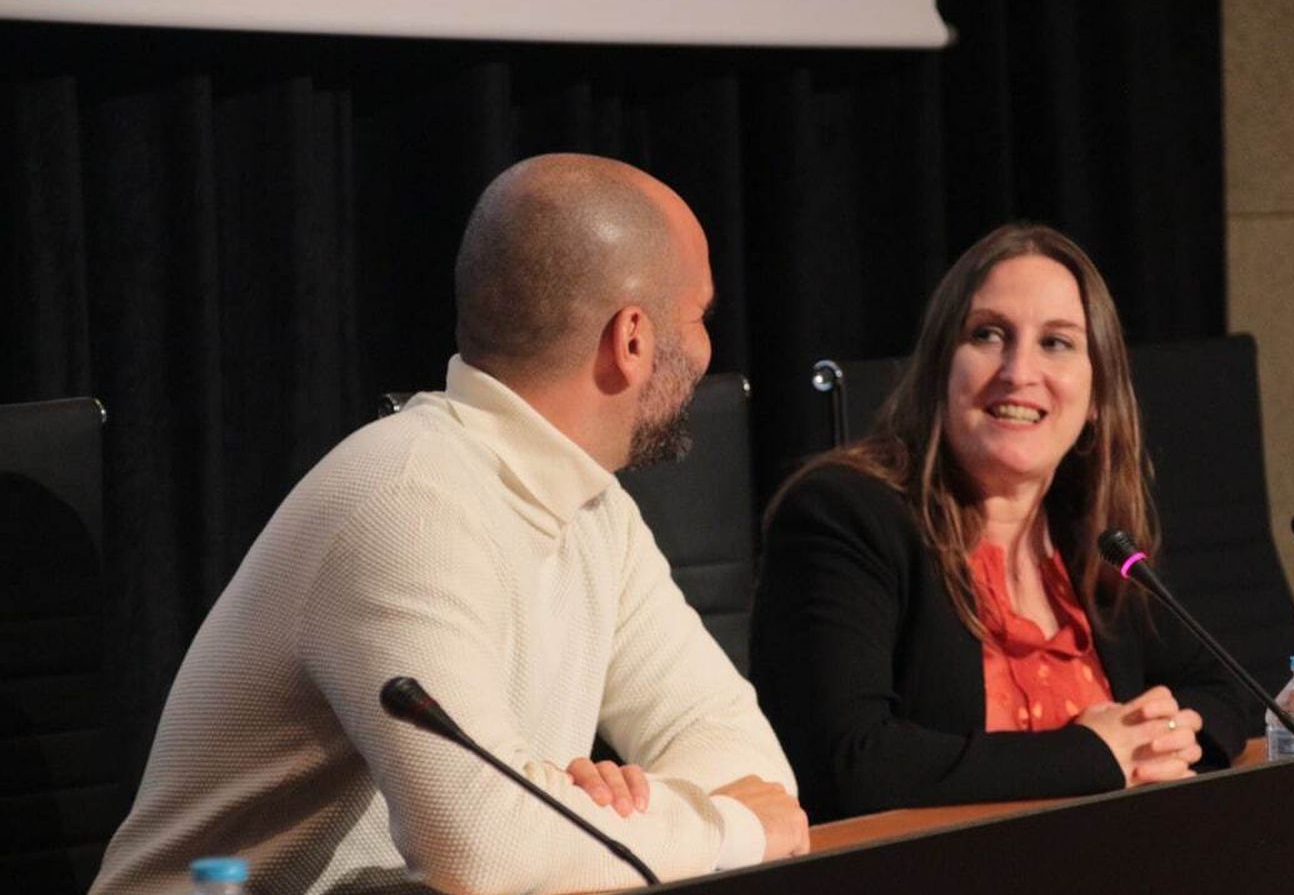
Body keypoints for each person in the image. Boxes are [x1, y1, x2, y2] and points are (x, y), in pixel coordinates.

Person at [93, 154, 807, 894]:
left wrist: (611, 814)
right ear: (631, 340)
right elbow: (488, 857)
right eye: (699, 317)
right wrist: (720, 829)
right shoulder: (406, 503)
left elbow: (745, 760)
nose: (704, 349)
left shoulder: (598, 514)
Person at [750, 223, 1251, 822]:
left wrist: (1166, 736)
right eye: (988, 335)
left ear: (1096, 397)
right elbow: (849, 764)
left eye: (1057, 343)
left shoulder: (1087, 537)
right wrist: (1094, 756)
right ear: (940, 367)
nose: (1018, 371)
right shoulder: (846, 514)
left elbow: (1224, 692)